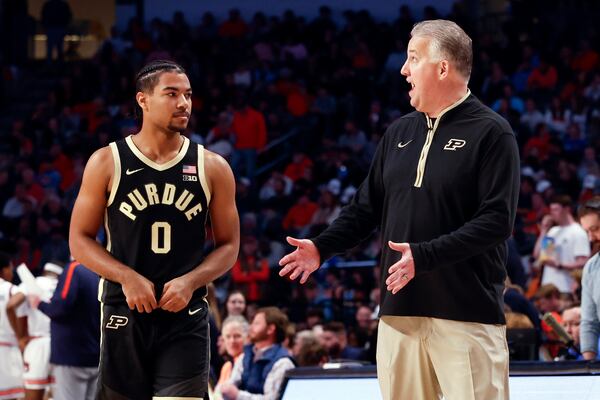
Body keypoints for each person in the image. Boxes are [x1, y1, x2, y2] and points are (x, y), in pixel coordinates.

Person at [279, 20, 520, 400]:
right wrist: (322, 247)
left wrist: (423, 256)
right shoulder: (398, 133)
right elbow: (365, 209)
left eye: (413, 59)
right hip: (398, 314)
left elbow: (496, 221)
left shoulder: (492, 132)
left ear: (442, 68)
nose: (403, 70)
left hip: (467, 314)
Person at [68, 60, 240, 399]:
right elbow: (79, 240)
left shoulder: (212, 166)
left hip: (186, 315)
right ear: (143, 100)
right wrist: (127, 277)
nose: (184, 103)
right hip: (123, 309)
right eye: (172, 94)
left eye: (188, 95)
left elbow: (230, 245)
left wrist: (191, 281)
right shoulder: (108, 161)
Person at [27, 261, 100, 400]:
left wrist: (39, 304)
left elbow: (60, 308)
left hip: (72, 354)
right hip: (96, 354)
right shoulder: (101, 270)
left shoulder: (75, 268)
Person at [7, 262, 62, 400]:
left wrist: (20, 337)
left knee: (32, 395)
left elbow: (11, 305)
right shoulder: (65, 286)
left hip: (37, 345)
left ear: (44, 271)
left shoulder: (33, 283)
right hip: (62, 346)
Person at [218, 307, 295, 400]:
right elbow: (230, 387)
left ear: (270, 329)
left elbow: (272, 399)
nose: (251, 327)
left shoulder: (283, 362)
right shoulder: (245, 356)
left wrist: (238, 396)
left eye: (256, 323)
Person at [533, 195, 590, 294]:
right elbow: (538, 255)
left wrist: (560, 265)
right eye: (551, 210)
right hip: (548, 287)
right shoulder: (553, 231)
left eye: (556, 209)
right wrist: (543, 231)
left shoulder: (578, 231)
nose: (552, 213)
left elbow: (583, 262)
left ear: (567, 209)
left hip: (566, 288)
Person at [578, 197, 600, 360]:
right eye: (587, 231)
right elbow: (589, 322)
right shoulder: (591, 267)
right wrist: (588, 366)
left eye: (596, 229)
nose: (591, 238)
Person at [0, 252, 25, 400]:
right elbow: (15, 308)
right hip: (9, 350)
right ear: (4, 270)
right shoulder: (12, 289)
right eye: (10, 267)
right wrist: (20, 336)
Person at [217, 316, 249, 387]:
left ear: (247, 337)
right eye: (228, 336)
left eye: (237, 336)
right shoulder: (227, 366)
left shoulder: (249, 364)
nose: (232, 341)